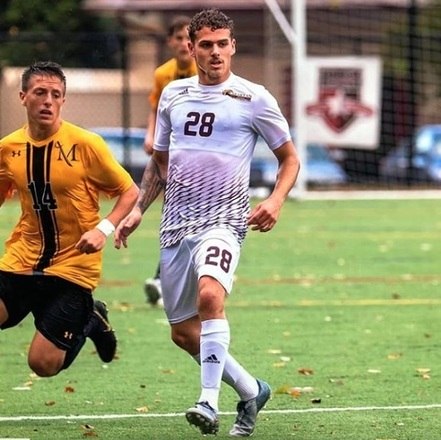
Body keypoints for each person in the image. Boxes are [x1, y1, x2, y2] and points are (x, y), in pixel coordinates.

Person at [115, 8, 300, 437]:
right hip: (176, 224)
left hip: (224, 221)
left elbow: (289, 158)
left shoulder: (254, 98)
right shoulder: (173, 96)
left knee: (210, 298)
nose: (215, 52)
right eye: (206, 45)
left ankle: (208, 401)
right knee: (183, 332)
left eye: (222, 44)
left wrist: (275, 199)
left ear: (233, 46)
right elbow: (159, 165)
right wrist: (139, 208)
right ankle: (252, 390)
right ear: (191, 48)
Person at [0, 61, 139, 378]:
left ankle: (91, 318)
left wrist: (103, 229)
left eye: (55, 94)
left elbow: (130, 191)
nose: (48, 100)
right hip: (22, 260)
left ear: (63, 100)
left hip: (73, 268)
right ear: (23, 97)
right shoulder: (8, 149)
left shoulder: (86, 145)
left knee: (43, 365)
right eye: (40, 93)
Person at [143, 15, 198, 307]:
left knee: (192, 217)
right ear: (170, 42)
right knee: (175, 215)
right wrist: (150, 135)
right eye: (178, 38)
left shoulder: (205, 70)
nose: (184, 44)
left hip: (200, 158)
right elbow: (155, 109)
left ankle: (169, 278)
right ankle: (165, 278)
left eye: (189, 38)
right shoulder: (163, 74)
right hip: (173, 156)